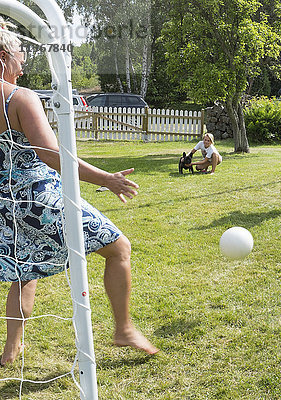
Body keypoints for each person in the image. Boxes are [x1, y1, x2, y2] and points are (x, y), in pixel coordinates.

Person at [0, 19, 158, 366]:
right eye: (19, 52)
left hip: (4, 206)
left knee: (25, 270)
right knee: (119, 248)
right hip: (36, 198)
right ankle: (124, 329)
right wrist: (106, 179)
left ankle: (11, 350)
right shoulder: (19, 98)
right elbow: (54, 156)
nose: (24, 59)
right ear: (3, 56)